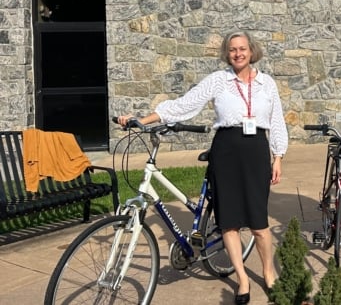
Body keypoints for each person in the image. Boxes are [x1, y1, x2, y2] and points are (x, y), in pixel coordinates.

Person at [117, 31, 287, 305]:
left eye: (242, 49)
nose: (238, 54)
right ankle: (242, 279)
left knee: (259, 223)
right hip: (226, 151)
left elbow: (277, 120)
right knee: (229, 222)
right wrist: (142, 119)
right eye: (232, 50)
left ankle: (268, 273)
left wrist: (278, 155)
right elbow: (185, 105)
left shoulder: (267, 84)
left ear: (252, 51)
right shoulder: (219, 81)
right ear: (226, 53)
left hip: (256, 151)